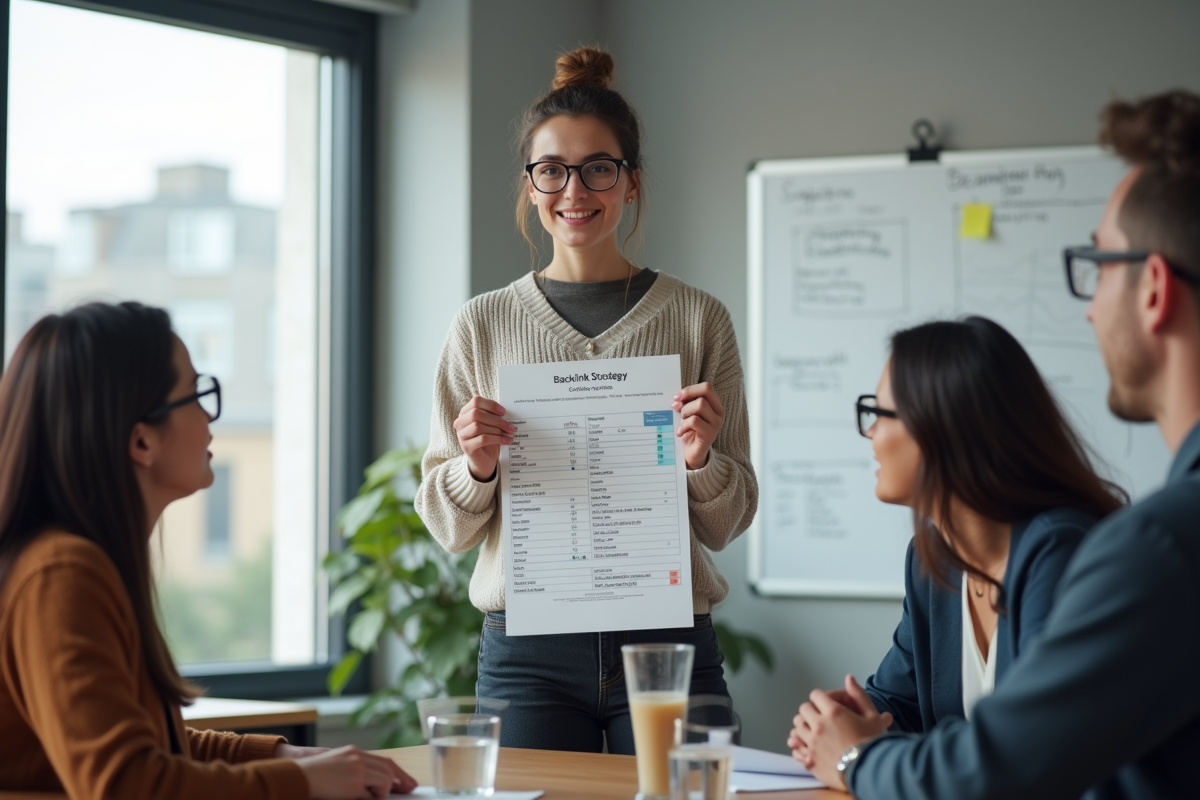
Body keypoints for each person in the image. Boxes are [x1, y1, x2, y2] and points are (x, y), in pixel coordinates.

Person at [788, 89, 1200, 800]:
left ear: (1154, 289)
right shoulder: (936, 562)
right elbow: (910, 713)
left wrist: (858, 760)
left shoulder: (1146, 547)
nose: (1091, 304)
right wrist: (860, 728)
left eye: (1098, 266)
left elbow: (1000, 772)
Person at [414, 47, 757, 754]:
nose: (575, 190)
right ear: (530, 185)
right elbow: (448, 527)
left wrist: (699, 461)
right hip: (528, 653)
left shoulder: (699, 319)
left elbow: (729, 521)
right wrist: (475, 467)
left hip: (669, 645)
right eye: (552, 171)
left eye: (600, 167)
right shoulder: (480, 324)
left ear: (631, 182)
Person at [0, 302, 417, 800]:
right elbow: (125, 784)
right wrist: (303, 782)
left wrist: (286, 757)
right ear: (141, 441)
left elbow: (149, 746)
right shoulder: (62, 575)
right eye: (195, 395)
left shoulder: (80, 562)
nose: (208, 414)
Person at [788, 316, 1124, 764]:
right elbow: (899, 704)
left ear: (939, 429)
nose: (869, 432)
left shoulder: (1059, 551)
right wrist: (851, 719)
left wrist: (855, 757)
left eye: (878, 412)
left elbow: (1025, 754)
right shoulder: (934, 560)